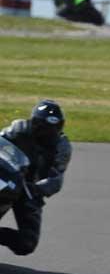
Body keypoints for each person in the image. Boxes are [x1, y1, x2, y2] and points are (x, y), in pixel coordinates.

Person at [0, 100, 72, 256]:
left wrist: (37, 188)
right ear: (33, 121)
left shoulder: (62, 147)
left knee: (27, 243)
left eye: (52, 129)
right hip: (5, 176)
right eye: (41, 127)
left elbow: (56, 179)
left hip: (29, 191)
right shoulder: (19, 128)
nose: (46, 132)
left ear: (60, 127)